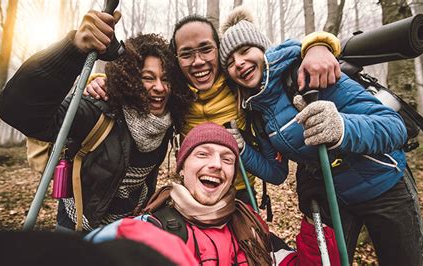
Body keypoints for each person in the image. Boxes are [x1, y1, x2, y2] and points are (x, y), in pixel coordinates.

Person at [219, 7, 423, 265]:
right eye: (229, 61)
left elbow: (393, 126)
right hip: (335, 201)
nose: (238, 62)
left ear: (262, 49)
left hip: (385, 187)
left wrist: (341, 127)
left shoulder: (308, 73)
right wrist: (242, 150)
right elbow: (276, 172)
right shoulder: (257, 112)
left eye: (244, 51)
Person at [85, 12, 342, 204]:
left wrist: (317, 46)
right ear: (176, 60)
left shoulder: (243, 88)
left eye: (206, 49)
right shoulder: (175, 95)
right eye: (186, 54)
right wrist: (99, 81)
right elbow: (137, 90)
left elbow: (273, 61)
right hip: (193, 194)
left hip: (240, 194)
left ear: (219, 51)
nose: (198, 62)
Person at [0, 10, 193, 231]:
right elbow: (18, 110)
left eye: (165, 79)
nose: (159, 87)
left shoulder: (165, 121)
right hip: (79, 226)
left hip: (129, 226)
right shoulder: (98, 110)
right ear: (130, 79)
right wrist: (72, 50)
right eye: (148, 77)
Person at [85, 122, 340, 265]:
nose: (216, 164)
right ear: (182, 167)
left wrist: (311, 220)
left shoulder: (252, 226)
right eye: (203, 154)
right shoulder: (149, 227)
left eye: (227, 158)